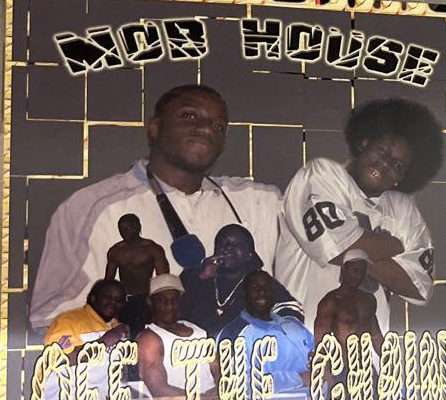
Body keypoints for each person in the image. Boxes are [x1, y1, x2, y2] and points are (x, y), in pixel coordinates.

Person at [30, 84, 288, 330]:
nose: (206, 129)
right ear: (154, 127)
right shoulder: (90, 206)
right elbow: (51, 321)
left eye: (218, 126)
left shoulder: (258, 201)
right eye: (189, 116)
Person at [279, 98, 443, 330]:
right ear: (364, 143)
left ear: (402, 178)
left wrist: (360, 251)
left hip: (367, 347)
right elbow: (336, 246)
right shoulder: (322, 174)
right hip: (299, 340)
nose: (386, 164)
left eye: (398, 165)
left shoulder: (402, 208)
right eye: (382, 151)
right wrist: (394, 247)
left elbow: (420, 286)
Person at [180, 224, 302, 334]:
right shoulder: (196, 276)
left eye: (236, 244)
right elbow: (176, 309)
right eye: (222, 243)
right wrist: (201, 277)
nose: (227, 247)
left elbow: (291, 309)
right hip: (196, 347)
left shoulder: (260, 281)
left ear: (249, 254)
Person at [216, 271, 314, 396]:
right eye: (255, 288)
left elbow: (321, 354)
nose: (262, 292)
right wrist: (299, 379)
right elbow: (237, 384)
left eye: (266, 287)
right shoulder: (234, 333)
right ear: (244, 293)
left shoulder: (292, 323)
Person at [37, 279, 129, 400]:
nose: (113, 302)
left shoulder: (116, 325)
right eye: (107, 297)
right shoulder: (68, 321)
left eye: (118, 300)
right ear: (93, 298)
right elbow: (58, 360)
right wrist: (104, 341)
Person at [135, 274, 216, 400]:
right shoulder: (149, 339)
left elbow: (217, 367)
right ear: (150, 301)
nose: (170, 305)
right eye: (162, 300)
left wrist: (220, 388)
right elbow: (159, 391)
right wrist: (203, 399)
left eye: (174, 299)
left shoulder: (198, 330)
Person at [105, 213, 168, 335]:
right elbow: (108, 282)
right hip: (124, 299)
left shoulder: (152, 249)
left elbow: (163, 279)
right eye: (122, 229)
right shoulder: (116, 251)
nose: (125, 232)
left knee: (143, 335)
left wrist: (154, 300)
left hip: (145, 298)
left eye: (128, 228)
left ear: (138, 227)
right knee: (124, 335)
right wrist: (111, 302)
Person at [312, 250, 384, 354]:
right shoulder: (331, 302)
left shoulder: (369, 300)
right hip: (341, 362)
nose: (359, 276)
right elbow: (320, 343)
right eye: (355, 270)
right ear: (343, 269)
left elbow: (376, 336)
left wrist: (390, 360)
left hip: (364, 361)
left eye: (362, 271)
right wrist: (323, 363)